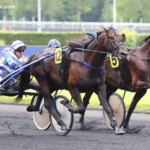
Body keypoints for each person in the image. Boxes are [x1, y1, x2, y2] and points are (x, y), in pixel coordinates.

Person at [0, 40, 42, 112]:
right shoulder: (8, 54)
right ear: (14, 51)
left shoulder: (22, 61)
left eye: (23, 50)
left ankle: (41, 91)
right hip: (2, 83)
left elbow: (29, 72)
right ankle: (4, 86)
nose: (22, 52)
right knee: (4, 73)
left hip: (12, 87)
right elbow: (11, 62)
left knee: (30, 82)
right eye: (20, 50)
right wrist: (17, 66)